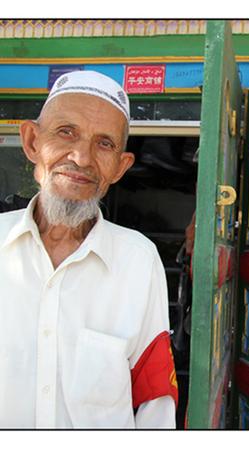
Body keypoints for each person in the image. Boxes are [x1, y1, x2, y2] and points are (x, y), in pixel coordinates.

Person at [0, 71, 177, 428]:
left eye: (104, 144)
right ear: (33, 141)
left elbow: (154, 395)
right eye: (66, 132)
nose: (81, 158)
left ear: (120, 167)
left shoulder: (138, 260)